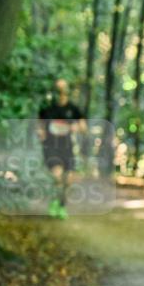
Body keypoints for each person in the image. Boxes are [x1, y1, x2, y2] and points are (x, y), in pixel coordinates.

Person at [37, 79, 86, 219]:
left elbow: (84, 128)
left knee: (69, 180)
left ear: (68, 91)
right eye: (58, 89)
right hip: (51, 147)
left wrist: (77, 127)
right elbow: (39, 125)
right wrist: (40, 131)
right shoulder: (47, 108)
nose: (61, 92)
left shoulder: (73, 109)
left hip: (68, 148)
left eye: (63, 89)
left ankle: (62, 205)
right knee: (57, 175)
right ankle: (53, 203)